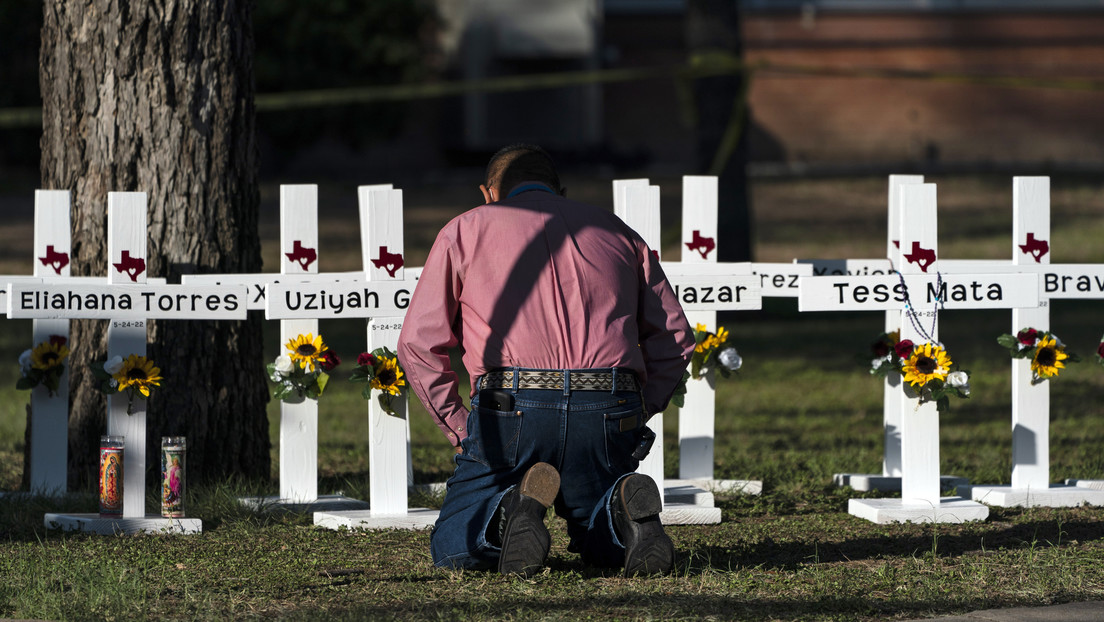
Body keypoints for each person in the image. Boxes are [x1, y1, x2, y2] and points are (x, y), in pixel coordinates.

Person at [397, 144, 694, 577]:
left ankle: (508, 512)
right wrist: (639, 409)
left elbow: (418, 343)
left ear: (488, 193)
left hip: (512, 404)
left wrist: (459, 426)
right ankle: (621, 512)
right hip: (607, 400)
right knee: (597, 535)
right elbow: (676, 337)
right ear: (561, 191)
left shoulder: (465, 229)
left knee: (455, 544)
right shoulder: (619, 232)